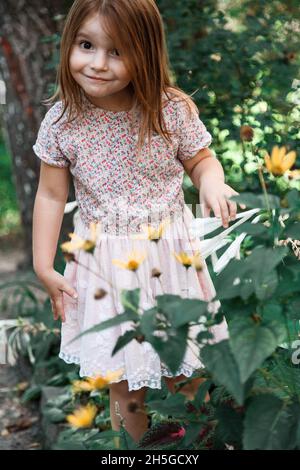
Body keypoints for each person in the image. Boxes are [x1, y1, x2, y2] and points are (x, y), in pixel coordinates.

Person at [32, 0, 240, 443]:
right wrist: (43, 266)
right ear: (70, 42)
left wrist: (212, 183)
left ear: (144, 54)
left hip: (169, 256)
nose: (98, 64)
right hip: (106, 264)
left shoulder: (170, 110)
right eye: (86, 45)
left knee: (186, 366)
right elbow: (51, 195)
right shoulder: (63, 121)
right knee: (124, 377)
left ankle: (196, 444)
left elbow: (202, 160)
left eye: (117, 51)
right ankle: (136, 449)